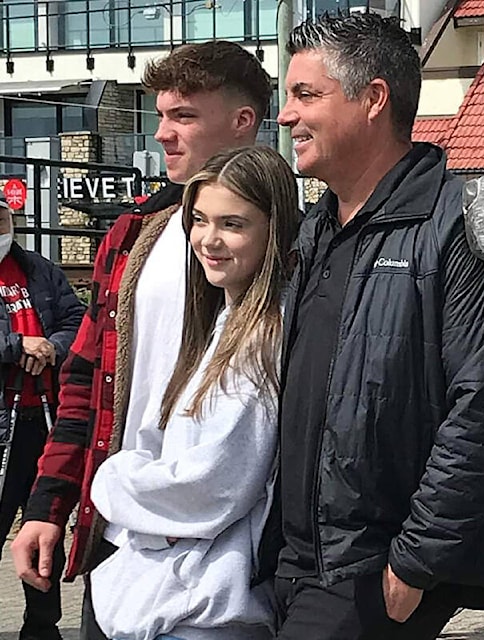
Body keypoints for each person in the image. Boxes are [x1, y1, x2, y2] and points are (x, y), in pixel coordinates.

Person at [274, 12, 484, 639]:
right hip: (292, 562)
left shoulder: (454, 227)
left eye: (306, 95)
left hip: (373, 569)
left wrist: (418, 559)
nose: (285, 116)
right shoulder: (316, 230)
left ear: (373, 100)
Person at [11, 40, 273, 640]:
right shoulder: (133, 235)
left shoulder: (295, 245)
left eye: (183, 116)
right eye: (160, 115)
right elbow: (83, 380)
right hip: (118, 540)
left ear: (242, 122)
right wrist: (48, 505)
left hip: (236, 566)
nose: (162, 134)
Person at [87, 146, 298, 640]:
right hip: (182, 600)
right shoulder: (225, 321)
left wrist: (113, 481)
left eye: (233, 224)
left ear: (274, 228)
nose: (209, 239)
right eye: (199, 220)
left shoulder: (265, 335)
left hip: (205, 611)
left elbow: (211, 485)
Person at [0, 199, 84, 640]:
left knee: (42, 522)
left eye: (2, 219)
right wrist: (17, 345)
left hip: (43, 419)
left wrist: (52, 345)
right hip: (2, 426)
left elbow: (78, 319)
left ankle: (42, 624)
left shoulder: (39, 269)